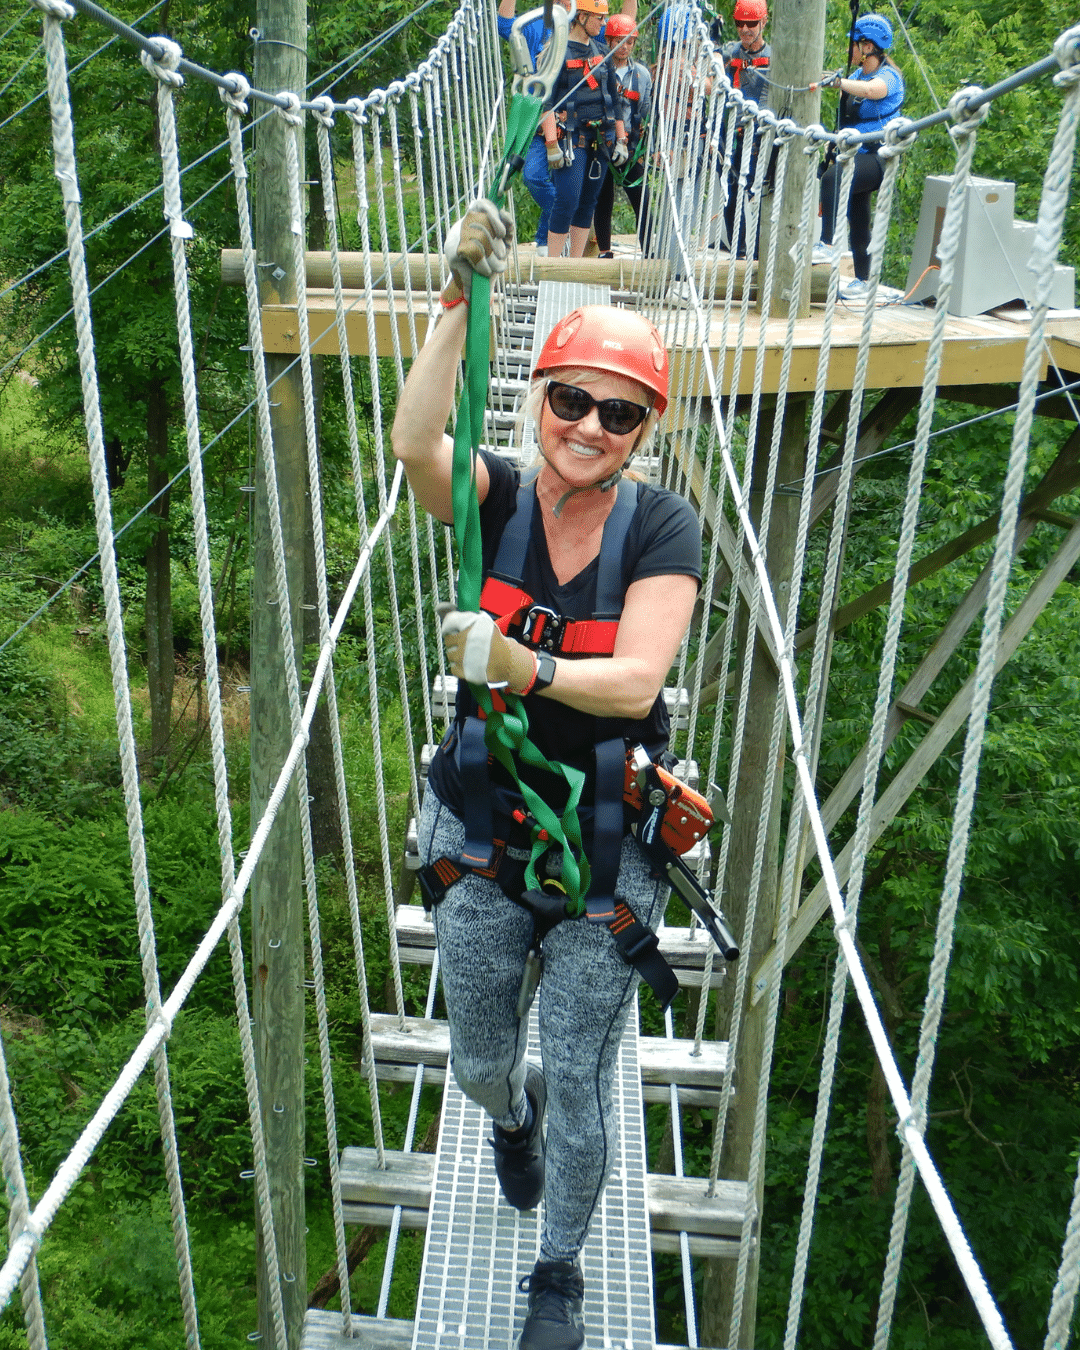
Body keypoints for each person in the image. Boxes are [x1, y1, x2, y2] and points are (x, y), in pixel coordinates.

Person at [392, 201, 702, 1349]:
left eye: (616, 413)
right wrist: (455, 309)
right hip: (486, 829)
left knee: (579, 1078)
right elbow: (417, 444)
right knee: (481, 1063)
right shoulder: (502, 499)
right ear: (540, 399)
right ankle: (500, 1118)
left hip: (605, 853)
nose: (587, 426)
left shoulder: (661, 530)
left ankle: (558, 1269)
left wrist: (518, 662)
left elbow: (633, 684)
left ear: (641, 430)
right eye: (569, 399)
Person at [811, 13, 905, 295]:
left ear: (867, 46)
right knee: (859, 217)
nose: (850, 49)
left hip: (877, 158)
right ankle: (865, 280)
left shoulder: (888, 76)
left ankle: (827, 244)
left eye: (854, 43)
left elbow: (871, 91)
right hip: (857, 155)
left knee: (832, 179)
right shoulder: (855, 75)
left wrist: (839, 84)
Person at [539, 0, 632, 260]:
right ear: (581, 17)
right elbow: (545, 102)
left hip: (601, 139)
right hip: (572, 139)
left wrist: (621, 138)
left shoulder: (602, 54)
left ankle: (575, 264)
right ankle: (554, 265)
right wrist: (550, 144)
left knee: (588, 203)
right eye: (599, 18)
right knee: (567, 200)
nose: (603, 24)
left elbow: (614, 100)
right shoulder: (557, 54)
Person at [496, 0, 572, 254]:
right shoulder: (540, 25)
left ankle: (546, 240)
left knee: (566, 184)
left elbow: (623, 32)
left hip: (574, 122)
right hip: (540, 121)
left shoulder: (587, 25)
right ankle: (561, 226)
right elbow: (505, 25)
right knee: (534, 176)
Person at [592, 14, 652, 258]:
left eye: (629, 42)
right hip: (603, 142)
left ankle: (649, 253)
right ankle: (605, 251)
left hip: (630, 144)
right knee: (602, 199)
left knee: (642, 199)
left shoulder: (642, 75)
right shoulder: (598, 70)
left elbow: (646, 111)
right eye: (619, 41)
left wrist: (647, 147)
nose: (624, 46)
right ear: (608, 40)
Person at [721, 0, 770, 258]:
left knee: (757, 192)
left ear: (764, 22)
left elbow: (769, 98)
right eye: (740, 24)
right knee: (731, 189)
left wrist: (758, 133)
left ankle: (760, 253)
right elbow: (715, 71)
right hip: (733, 133)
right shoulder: (730, 54)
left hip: (759, 133)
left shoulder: (773, 58)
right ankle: (737, 249)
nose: (745, 29)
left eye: (751, 24)